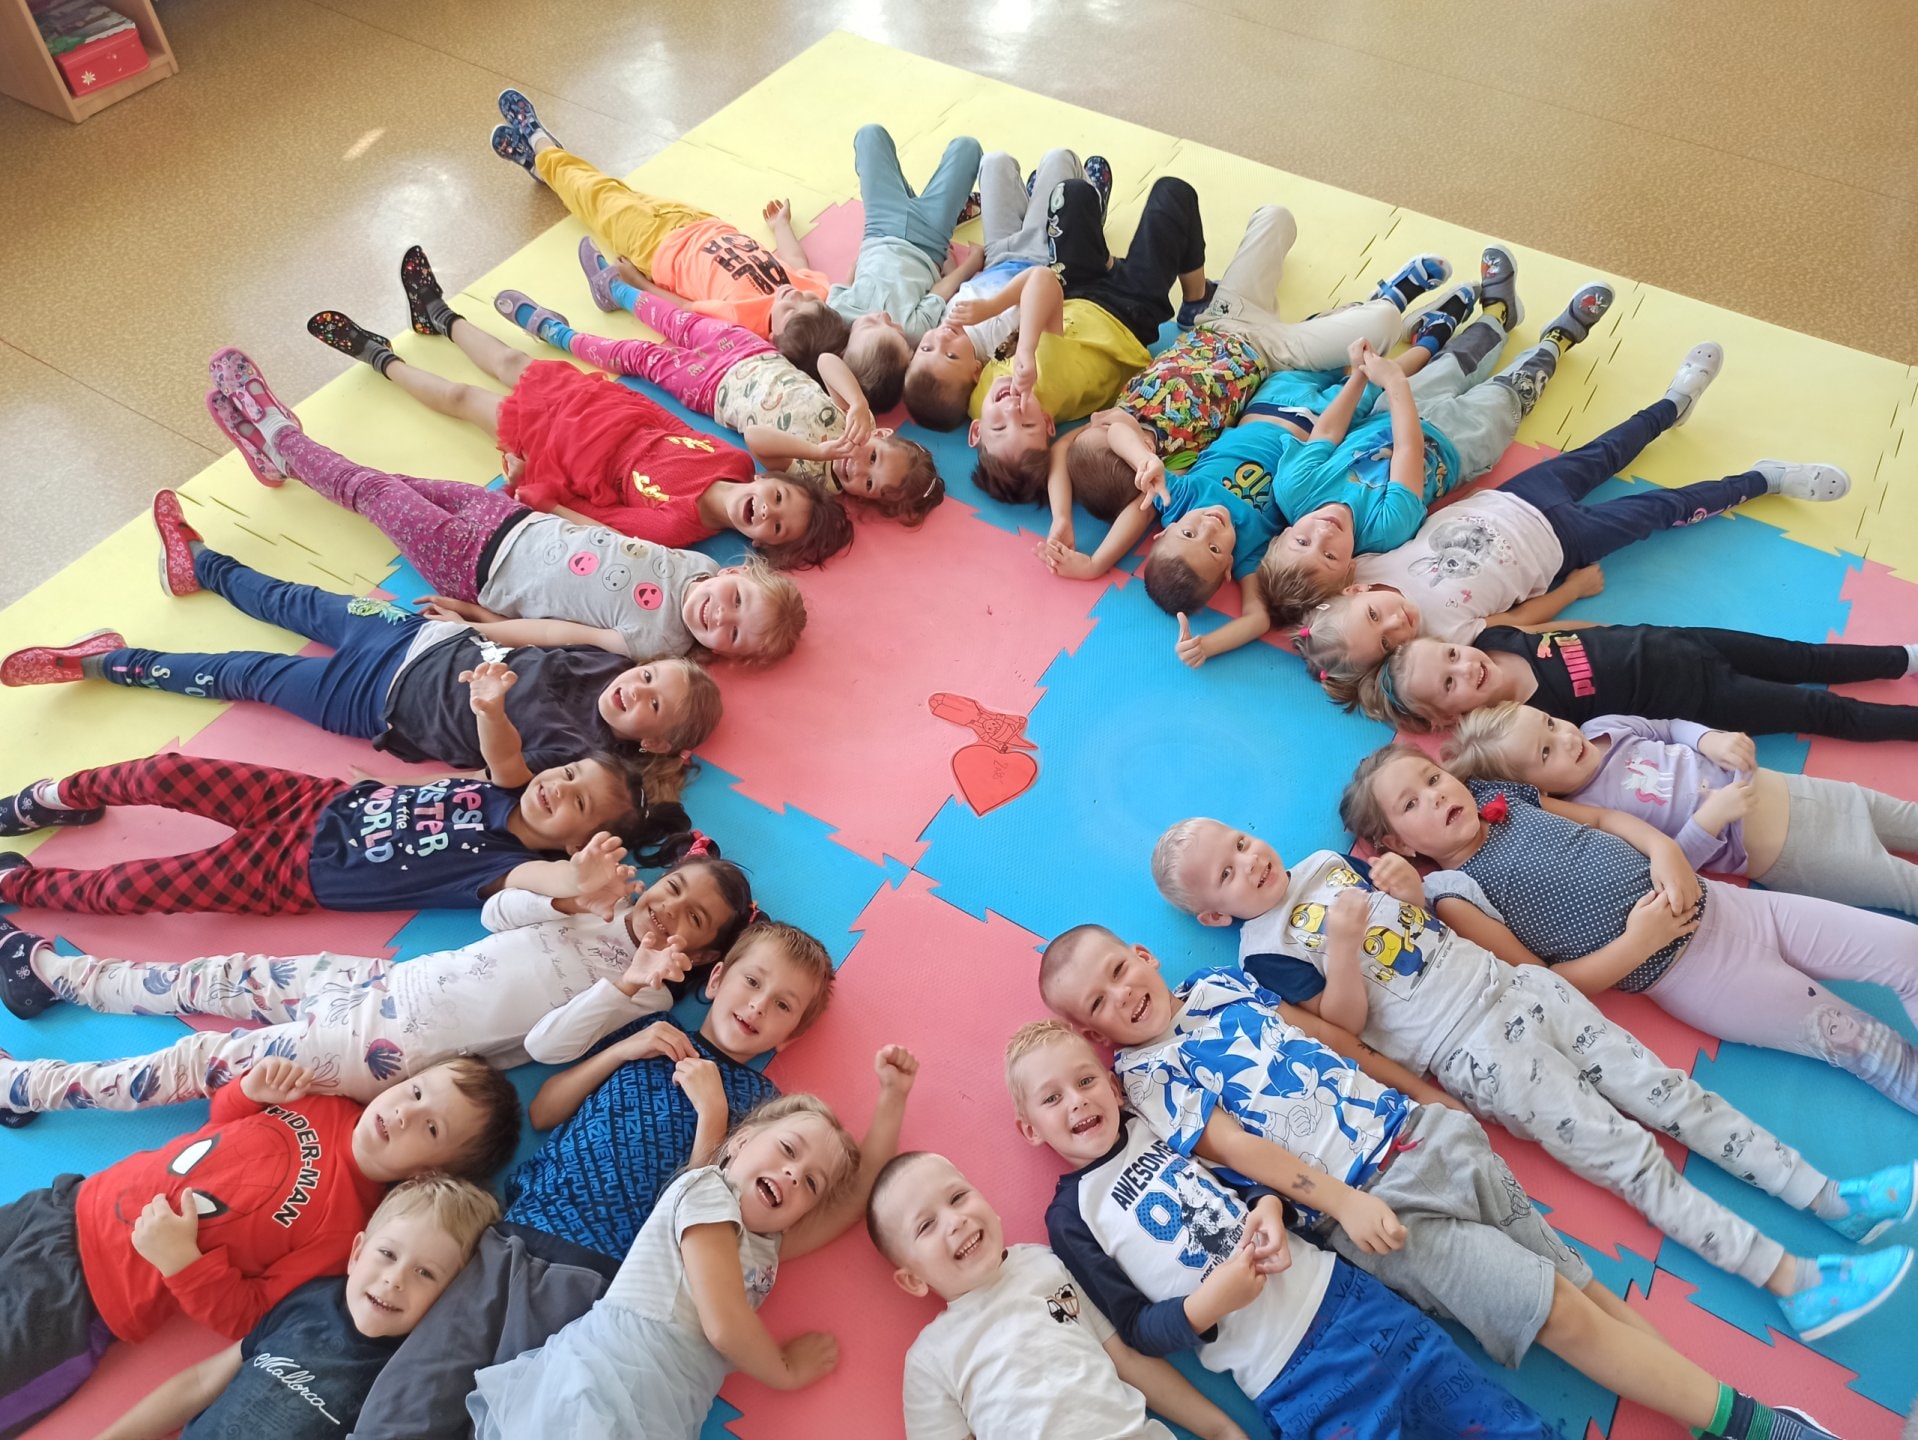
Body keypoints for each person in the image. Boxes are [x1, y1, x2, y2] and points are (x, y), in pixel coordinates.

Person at [1036, 924, 1881, 1416]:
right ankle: (1753, 1427)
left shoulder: (1219, 985)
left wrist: (1431, 1100)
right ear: (1098, 1035)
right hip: (1373, 1201)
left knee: (1581, 1286)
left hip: (1425, 1135)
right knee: (1554, 1314)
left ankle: (1727, 1413)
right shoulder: (1147, 1078)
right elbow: (1238, 1151)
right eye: (1099, 1006)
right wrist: (1343, 1202)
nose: (1122, 996)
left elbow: (1325, 1041)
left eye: (1119, 971)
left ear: (1143, 954)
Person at [1151, 817, 1917, 1335]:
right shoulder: (1262, 954)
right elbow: (1344, 1027)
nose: (1251, 860)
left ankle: (1830, 1199)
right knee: (1629, 1157)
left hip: (1524, 988)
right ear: (1215, 915)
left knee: (1677, 1096)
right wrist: (1345, 945)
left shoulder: (1325, 865)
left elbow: (1415, 922)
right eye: (1228, 871)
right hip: (1473, 1048)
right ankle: (1791, 1283)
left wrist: (1406, 892)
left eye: (1242, 842)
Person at [345, 922, 845, 1440]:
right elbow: (542, 1111)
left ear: (791, 1036)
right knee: (412, 1394)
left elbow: (696, 1205)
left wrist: (713, 1113)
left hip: (593, 1278)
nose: (758, 1006)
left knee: (515, 1421)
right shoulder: (650, 1028)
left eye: (782, 1005)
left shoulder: (761, 1109)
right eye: (752, 981)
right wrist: (622, 1050)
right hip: (512, 1235)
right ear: (717, 979)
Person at [1014, 1021, 1566, 1439]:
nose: (1077, 1100)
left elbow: (1246, 1182)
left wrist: (1269, 1209)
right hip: (1286, 1375)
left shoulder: (1156, 1124)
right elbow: (1136, 1329)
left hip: (1351, 1299)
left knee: (1497, 1420)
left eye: (1085, 1080)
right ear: (1030, 1129)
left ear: (1114, 1087)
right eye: (1052, 1098)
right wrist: (1210, 1303)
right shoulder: (1070, 1216)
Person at [1341, 743, 1918, 1135]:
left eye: (1433, 779)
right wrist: (1641, 942)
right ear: (1400, 845)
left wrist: (1664, 849)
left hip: (1734, 906)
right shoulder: (1454, 893)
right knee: (1859, 1043)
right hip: (1699, 975)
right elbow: (1543, 983)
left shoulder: (1506, 798)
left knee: (1905, 950)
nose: (1436, 795)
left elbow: (1600, 819)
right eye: (1412, 804)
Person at [0, 846, 750, 1119]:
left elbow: (548, 1048)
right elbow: (494, 915)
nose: (669, 910)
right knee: (221, 977)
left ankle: (29, 1088)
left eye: (694, 918)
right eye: (673, 888)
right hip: (380, 979)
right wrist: (564, 894)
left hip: (385, 1049)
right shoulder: (598, 903)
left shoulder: (646, 994)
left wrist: (624, 988)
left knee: (201, 1062)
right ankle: (60, 976)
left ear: (702, 954)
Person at [0, 1055, 520, 1436]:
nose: (406, 1113)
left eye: (431, 1128)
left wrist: (182, 1263)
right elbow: (220, 1127)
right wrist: (247, 1090)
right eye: (416, 1092)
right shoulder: (324, 1102)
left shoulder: (347, 1237)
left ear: (429, 1173)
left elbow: (250, 1316)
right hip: (68, 1202)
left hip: (90, 1295)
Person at [1, 498, 719, 761]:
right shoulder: (604, 666)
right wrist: (478, 618)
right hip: (419, 636)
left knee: (245, 674)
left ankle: (102, 662)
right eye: (647, 676)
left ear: (654, 741)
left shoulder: (588, 755)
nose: (637, 689)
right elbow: (549, 635)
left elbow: (504, 773)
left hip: (374, 703)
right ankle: (202, 564)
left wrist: (491, 711)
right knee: (295, 600)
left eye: (653, 702)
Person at [205, 352, 808, 665]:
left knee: (371, 492)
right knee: (393, 484)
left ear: (726, 655)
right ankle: (277, 459)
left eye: (732, 634)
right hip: (510, 518)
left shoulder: (659, 644)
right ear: (736, 572)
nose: (719, 615)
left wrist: (477, 622)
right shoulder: (695, 566)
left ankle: (280, 436)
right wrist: (536, 499)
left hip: (474, 568)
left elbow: (555, 633)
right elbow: (604, 535)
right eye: (736, 600)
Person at [1289, 343, 1851, 672]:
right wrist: (1573, 591)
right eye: (1388, 644)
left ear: (1354, 592)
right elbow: (1518, 621)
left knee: (1609, 448)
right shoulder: (1439, 641)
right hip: (1563, 545)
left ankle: (1672, 404)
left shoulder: (1364, 563)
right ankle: (1762, 479)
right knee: (1665, 508)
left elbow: (1291, 575)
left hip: (1517, 496)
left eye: (1375, 618)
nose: (1396, 624)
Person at [291, 255, 851, 570]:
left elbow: (599, 522)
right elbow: (672, 427)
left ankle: (377, 356)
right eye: (781, 499)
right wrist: (617, 396)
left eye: (778, 527)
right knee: (511, 360)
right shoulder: (736, 462)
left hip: (564, 452)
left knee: (465, 401)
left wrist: (532, 484)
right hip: (604, 409)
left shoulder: (680, 528)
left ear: (764, 545)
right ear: (772, 482)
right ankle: (437, 313)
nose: (768, 511)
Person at [465, 1085, 888, 1440]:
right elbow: (723, 1324)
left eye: (811, 1183)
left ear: (799, 1216)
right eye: (788, 1149)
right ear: (740, 1142)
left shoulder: (767, 1245)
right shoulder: (707, 1191)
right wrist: (786, 1369)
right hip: (603, 1382)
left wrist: (893, 1098)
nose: (794, 1174)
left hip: (663, 1414)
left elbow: (850, 1203)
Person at [1253, 253, 1616, 629]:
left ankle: (1498, 314)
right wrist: (1394, 381)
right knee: (1512, 391)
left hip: (1391, 410)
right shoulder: (1383, 532)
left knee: (1456, 359)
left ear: (1282, 537)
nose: (1323, 534)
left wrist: (1360, 374)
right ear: (1349, 570)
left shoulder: (1294, 489)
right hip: (1459, 445)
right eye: (1329, 556)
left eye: (1302, 543)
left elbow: (1328, 431)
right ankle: (1559, 339)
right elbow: (1408, 450)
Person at [1050, 236, 1462, 525]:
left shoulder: (1124, 410)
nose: (1101, 420)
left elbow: (1075, 444)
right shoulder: (1179, 464)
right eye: (1106, 431)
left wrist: (1062, 518)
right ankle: (1398, 308)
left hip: (1220, 321)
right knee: (1378, 336)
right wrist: (1096, 561)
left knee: (1275, 219)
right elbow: (1136, 508)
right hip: (1274, 360)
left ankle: (1360, 313)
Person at [0, 743, 653, 919]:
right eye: (569, 772)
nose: (557, 786)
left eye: (577, 802)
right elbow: (465, 766)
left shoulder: (501, 866)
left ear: (574, 841)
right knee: (165, 770)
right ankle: (54, 798)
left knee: (135, 888)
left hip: (288, 873)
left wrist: (580, 878)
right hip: (312, 800)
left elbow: (545, 881)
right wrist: (378, 781)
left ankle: (21, 887)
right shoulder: (505, 782)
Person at [866, 1149, 1250, 1440]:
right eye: (926, 1226)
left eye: (957, 1197)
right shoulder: (931, 1358)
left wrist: (1220, 1429)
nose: (955, 1221)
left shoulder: (1045, 1264)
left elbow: (1127, 1360)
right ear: (913, 1280)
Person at [498, 275, 944, 524]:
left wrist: (816, 452)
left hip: (712, 389)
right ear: (881, 433)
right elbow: (828, 361)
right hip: (752, 351)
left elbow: (756, 438)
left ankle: (557, 333)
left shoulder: (815, 484)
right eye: (873, 457)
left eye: (868, 484)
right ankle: (616, 289)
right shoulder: (855, 418)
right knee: (679, 320)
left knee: (638, 357)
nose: (857, 467)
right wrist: (858, 404)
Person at [93, 1175, 502, 1440]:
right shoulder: (311, 1300)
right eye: (387, 1254)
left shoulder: (415, 1368)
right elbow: (202, 1382)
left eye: (426, 1273)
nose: (395, 1279)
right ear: (356, 1253)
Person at [489, 89, 848, 372]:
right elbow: (796, 263)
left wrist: (639, 284)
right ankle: (544, 168)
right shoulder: (813, 295)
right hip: (699, 221)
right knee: (619, 192)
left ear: (776, 336)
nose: (794, 295)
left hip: (656, 249)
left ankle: (540, 144)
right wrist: (781, 226)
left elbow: (685, 309)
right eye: (810, 301)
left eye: (790, 310)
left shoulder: (743, 320)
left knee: (597, 196)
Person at [1444, 702, 1918, 916]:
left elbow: (1668, 727)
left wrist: (1709, 739)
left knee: (1906, 819)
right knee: (1903, 887)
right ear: (1534, 789)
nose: (1566, 739)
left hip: (1801, 790)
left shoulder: (1603, 727)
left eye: (1550, 723)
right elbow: (1672, 865)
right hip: (1793, 852)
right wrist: (1712, 818)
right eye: (1546, 753)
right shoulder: (1592, 814)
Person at [962, 176, 1210, 505]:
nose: (1012, 408)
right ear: (1048, 423)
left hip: (1075, 295)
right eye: (1027, 422)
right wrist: (1026, 348)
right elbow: (1041, 279)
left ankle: (1106, 263)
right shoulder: (1048, 383)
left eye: (999, 428)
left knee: (1072, 193)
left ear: (976, 430)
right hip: (1130, 312)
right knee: (1173, 193)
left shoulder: (975, 402)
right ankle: (1197, 296)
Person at [1346, 624, 1918, 740]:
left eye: (1452, 654)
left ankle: (1903, 659)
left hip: (1682, 641)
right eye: (1450, 684)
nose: (1465, 667)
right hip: (1706, 700)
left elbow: (1570, 631)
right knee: (1818, 711)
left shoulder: (1495, 639)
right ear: (1449, 716)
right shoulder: (1526, 721)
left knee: (1803, 656)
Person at [901, 147, 1101, 431]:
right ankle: (1091, 204)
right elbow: (1040, 285)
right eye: (951, 355)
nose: (942, 339)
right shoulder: (996, 344)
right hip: (1040, 253)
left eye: (927, 347)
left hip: (997, 255)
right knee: (1059, 159)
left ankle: (1039, 199)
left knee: (994, 163)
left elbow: (954, 289)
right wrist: (988, 309)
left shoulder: (940, 325)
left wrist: (955, 263)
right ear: (975, 371)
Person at [811, 123, 985, 409]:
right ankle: (928, 203)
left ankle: (916, 199)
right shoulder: (914, 330)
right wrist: (971, 263)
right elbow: (942, 291)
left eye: (870, 323)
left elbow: (851, 276)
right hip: (930, 238)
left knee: (870, 135)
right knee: (968, 148)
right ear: (908, 350)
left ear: (846, 345)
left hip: (881, 225)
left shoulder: (839, 313)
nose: (883, 316)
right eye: (893, 327)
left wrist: (866, 251)